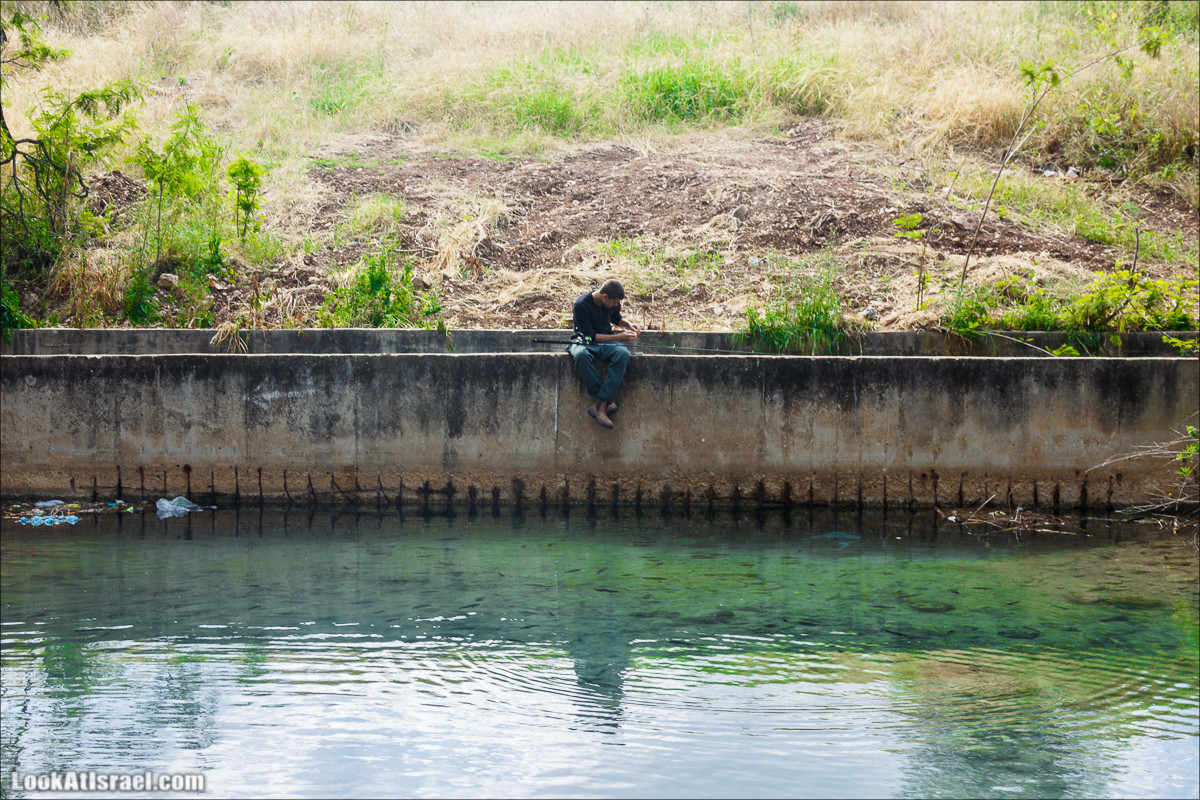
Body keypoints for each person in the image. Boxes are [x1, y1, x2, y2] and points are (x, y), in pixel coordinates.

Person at [568, 279, 642, 429]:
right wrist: (619, 337)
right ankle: (604, 398)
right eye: (614, 302)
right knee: (581, 356)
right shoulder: (581, 305)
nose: (616, 305)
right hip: (584, 340)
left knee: (623, 354)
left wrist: (628, 324)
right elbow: (590, 336)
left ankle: (600, 404)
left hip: (606, 342)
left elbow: (616, 317)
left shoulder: (612, 303)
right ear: (605, 296)